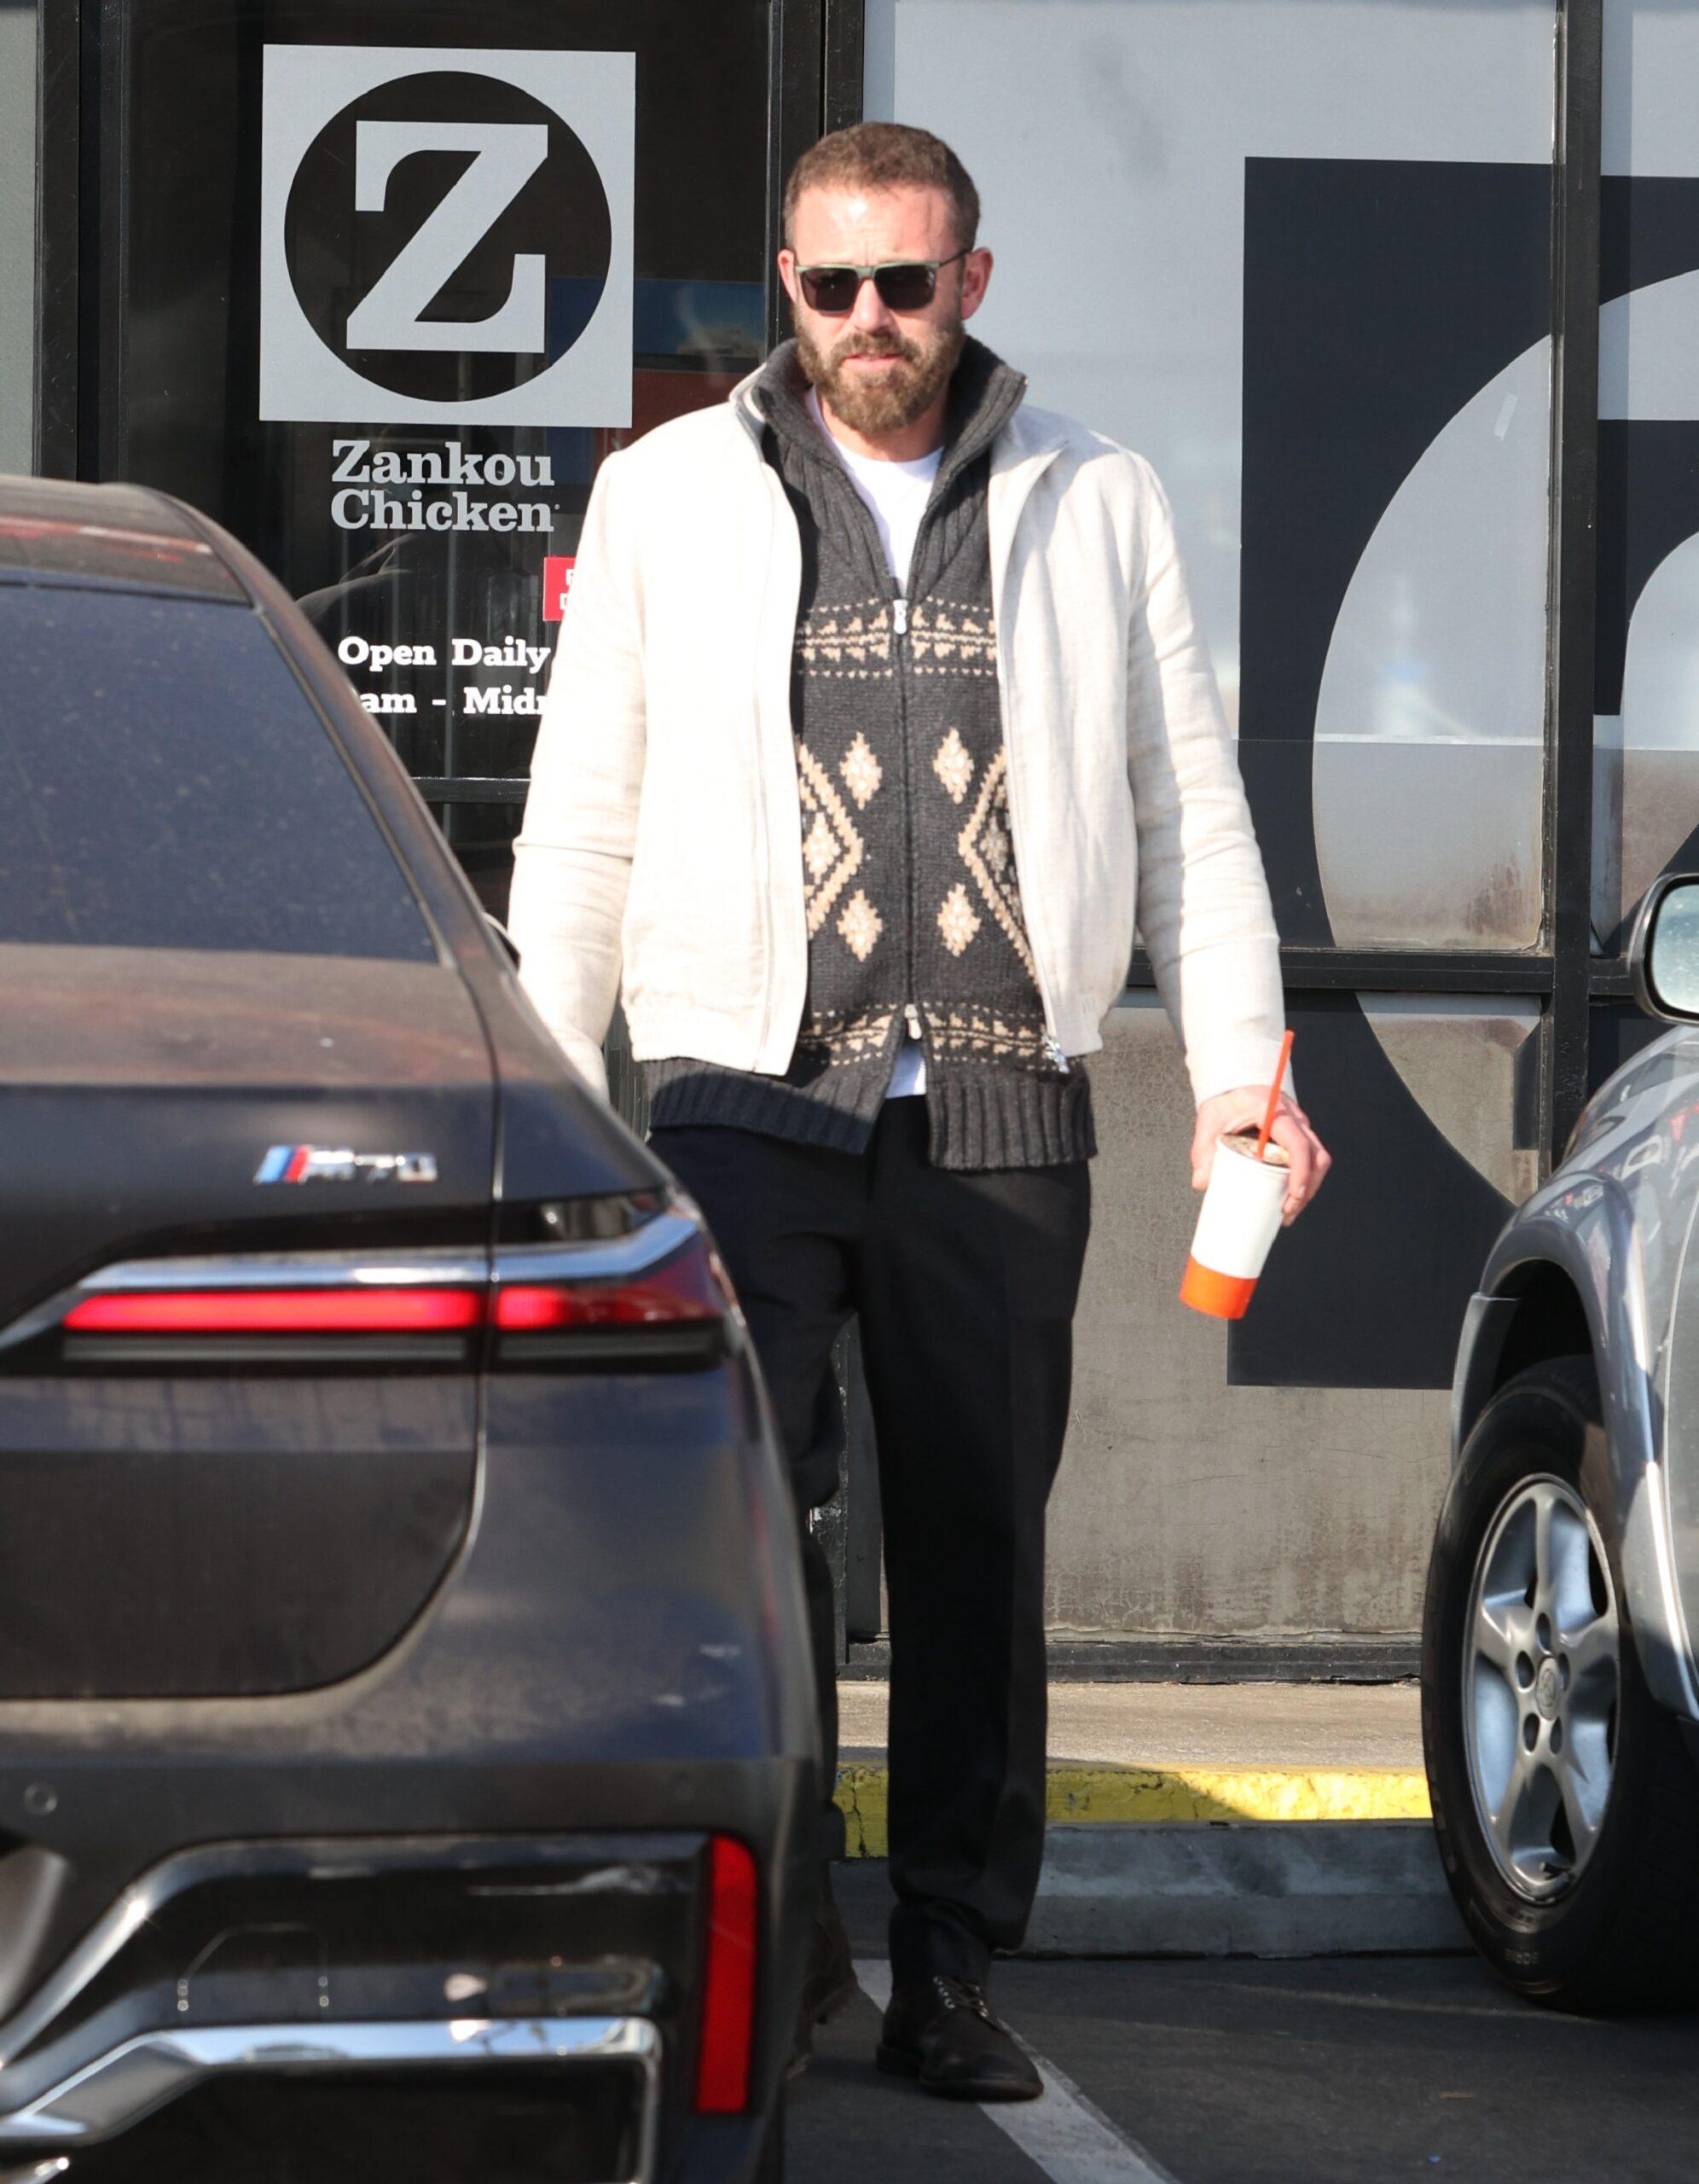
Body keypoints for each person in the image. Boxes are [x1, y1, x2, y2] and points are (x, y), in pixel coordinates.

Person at [508, 120, 1331, 2100]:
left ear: (972, 281)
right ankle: (785, 1933)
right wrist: (541, 1088)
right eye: (833, 283)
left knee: (977, 1547)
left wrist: (1243, 1067)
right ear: (784, 287)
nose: (869, 318)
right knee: (744, 1536)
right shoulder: (665, 493)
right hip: (740, 1094)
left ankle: (951, 1960)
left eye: (907, 280)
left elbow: (1187, 804)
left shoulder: (1093, 492)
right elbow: (586, 818)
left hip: (1000, 1096)